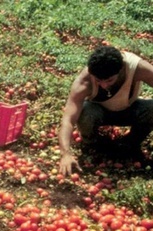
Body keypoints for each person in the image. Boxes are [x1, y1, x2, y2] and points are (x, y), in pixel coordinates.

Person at [58, 45, 153, 175]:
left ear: (120, 70)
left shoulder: (137, 68)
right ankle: (93, 144)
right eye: (98, 80)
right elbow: (68, 119)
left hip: (129, 109)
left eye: (109, 80)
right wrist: (65, 154)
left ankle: (130, 144)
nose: (104, 85)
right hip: (98, 112)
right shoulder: (84, 82)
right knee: (85, 111)